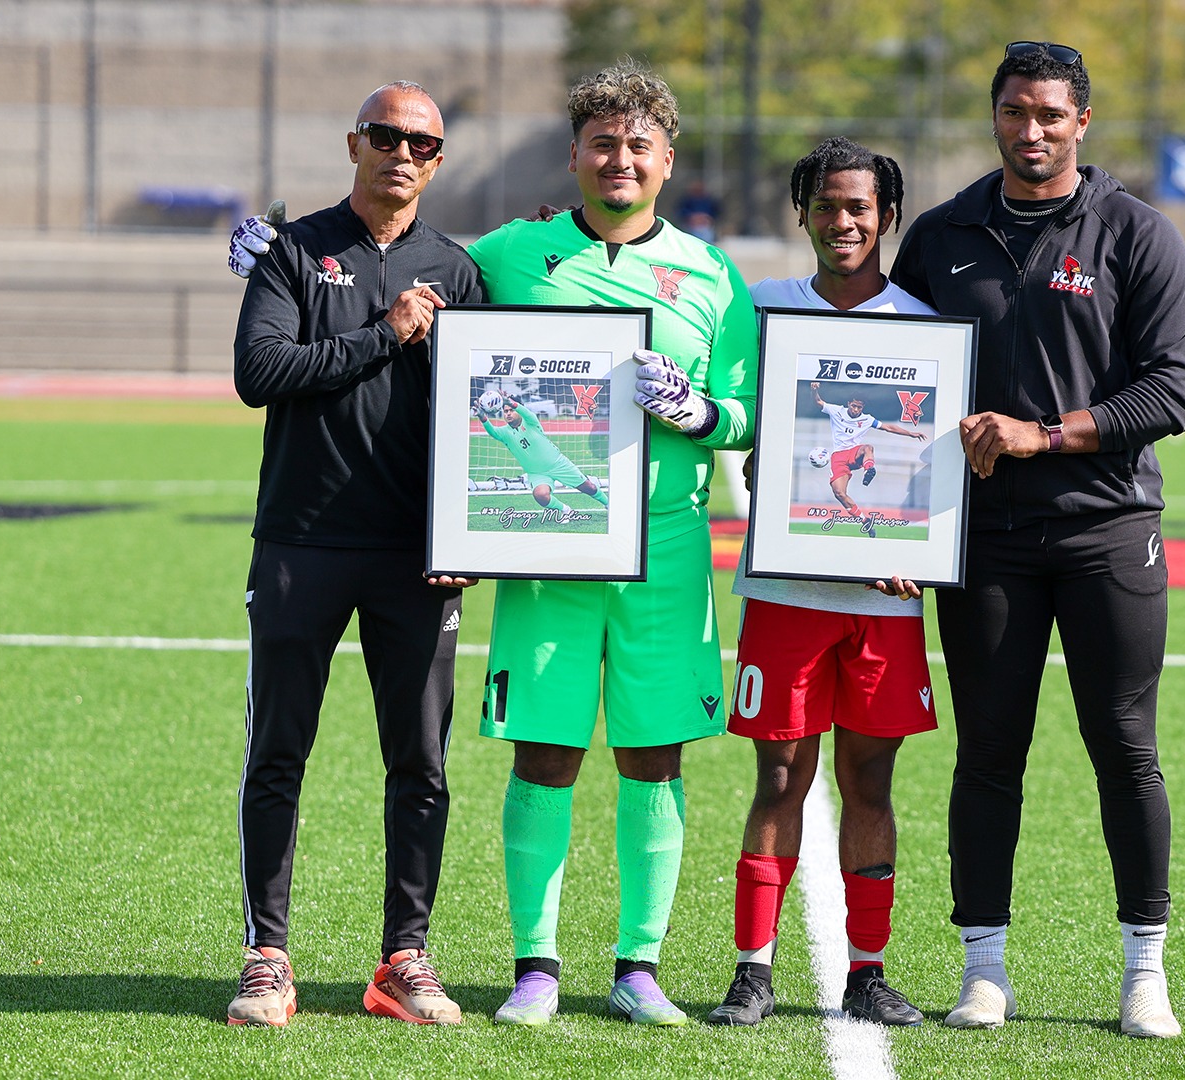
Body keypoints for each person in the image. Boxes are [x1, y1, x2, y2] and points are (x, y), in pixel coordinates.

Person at [889, 41, 1185, 1038]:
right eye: (1016, 112)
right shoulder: (943, 235)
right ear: (996, 116)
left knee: (1126, 748)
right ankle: (985, 970)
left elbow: (1172, 391)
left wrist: (1048, 432)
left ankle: (1144, 971)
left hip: (1107, 531)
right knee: (987, 753)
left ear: (1083, 122)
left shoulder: (1138, 236)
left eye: (1051, 115)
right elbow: (892, 378)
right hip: (981, 539)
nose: (1032, 131)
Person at [463, 59, 759, 1028]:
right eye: (603, 143)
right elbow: (425, 293)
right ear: (576, 154)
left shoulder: (713, 276)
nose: (619, 159)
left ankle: (639, 967)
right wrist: (295, 260)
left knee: (653, 755)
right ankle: (535, 967)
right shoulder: (512, 252)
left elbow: (748, 412)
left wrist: (703, 411)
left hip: (668, 550)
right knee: (544, 752)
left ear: (666, 159)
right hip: (548, 545)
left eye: (638, 144)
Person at [225, 81, 484, 1028]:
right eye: (385, 135)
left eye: (421, 141)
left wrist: (467, 535)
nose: (401, 152)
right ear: (354, 143)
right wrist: (384, 336)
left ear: (437, 160)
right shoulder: (296, 252)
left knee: (420, 762)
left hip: (416, 557)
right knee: (277, 754)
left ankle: (404, 960)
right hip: (300, 543)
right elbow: (260, 374)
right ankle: (267, 956)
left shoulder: (458, 272)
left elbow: (484, 420)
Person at [705, 137, 937, 1029]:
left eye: (860, 207)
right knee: (777, 777)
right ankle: (752, 971)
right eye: (827, 205)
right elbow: (727, 412)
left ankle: (868, 971)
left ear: (886, 215)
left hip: (883, 598)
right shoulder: (761, 310)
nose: (844, 222)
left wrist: (926, 535)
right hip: (789, 590)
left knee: (872, 784)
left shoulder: (925, 325)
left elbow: (935, 459)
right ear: (801, 211)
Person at [807, 381, 929, 538]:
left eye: (859, 407)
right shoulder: (836, 411)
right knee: (839, 493)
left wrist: (911, 433)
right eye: (854, 406)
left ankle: (869, 469)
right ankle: (865, 521)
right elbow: (817, 401)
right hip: (838, 456)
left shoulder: (867, 419)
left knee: (868, 448)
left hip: (854, 453)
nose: (856, 410)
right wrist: (814, 391)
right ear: (848, 404)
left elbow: (889, 428)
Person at [476, 394, 611, 525]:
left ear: (519, 410)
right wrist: (483, 417)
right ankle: (565, 510)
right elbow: (492, 431)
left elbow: (527, 413)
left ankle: (608, 504)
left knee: (590, 487)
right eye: (505, 411)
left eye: (511, 410)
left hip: (558, 464)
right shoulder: (504, 433)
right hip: (537, 473)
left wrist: (511, 402)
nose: (508, 414)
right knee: (540, 495)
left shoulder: (531, 422)